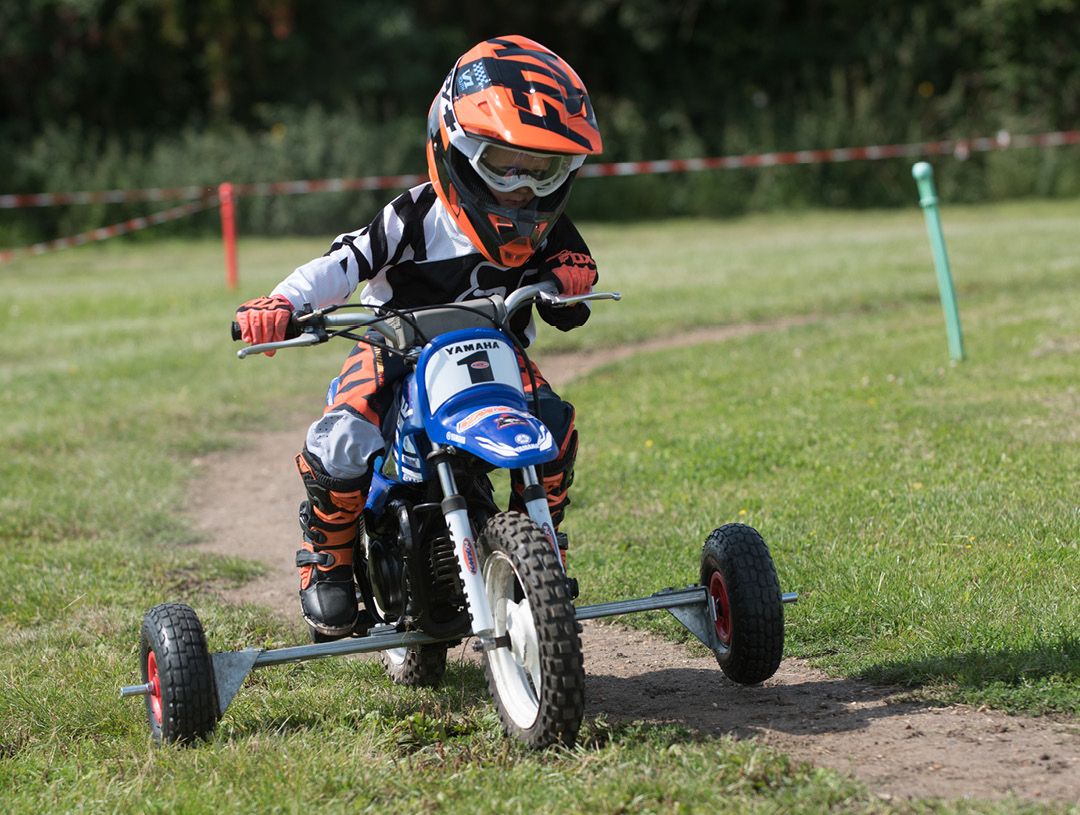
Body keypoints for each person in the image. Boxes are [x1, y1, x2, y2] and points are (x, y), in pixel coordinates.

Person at [234, 35, 603, 639]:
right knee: (345, 436)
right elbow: (341, 264)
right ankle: (327, 561)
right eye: (504, 165)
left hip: (494, 356)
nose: (523, 191)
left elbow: (571, 291)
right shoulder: (412, 218)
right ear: (453, 149)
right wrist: (282, 303)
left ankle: (537, 541)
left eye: (544, 171)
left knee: (554, 428)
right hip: (394, 351)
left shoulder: (549, 229)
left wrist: (571, 281)